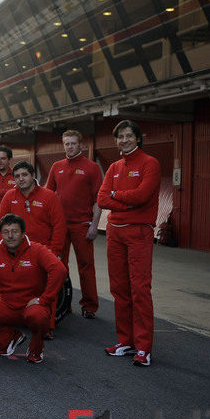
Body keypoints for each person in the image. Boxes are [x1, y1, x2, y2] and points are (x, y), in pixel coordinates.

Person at [97, 120, 160, 367]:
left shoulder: (149, 163)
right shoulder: (113, 167)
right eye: (120, 137)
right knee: (119, 290)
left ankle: (143, 348)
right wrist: (125, 201)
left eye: (128, 136)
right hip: (114, 233)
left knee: (140, 290)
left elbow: (143, 196)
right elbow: (102, 199)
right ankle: (126, 341)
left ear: (138, 138)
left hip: (139, 233)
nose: (124, 140)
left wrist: (116, 196)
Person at [0, 214, 67, 364]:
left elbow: (59, 270)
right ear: (1, 234)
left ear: (23, 234)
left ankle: (37, 348)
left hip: (33, 307)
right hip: (8, 306)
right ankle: (9, 339)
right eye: (6, 232)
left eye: (14, 231)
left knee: (39, 317)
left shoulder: (37, 250)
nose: (10, 236)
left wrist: (44, 299)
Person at [46, 130, 103, 319]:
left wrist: (94, 225)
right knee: (58, 265)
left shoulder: (92, 168)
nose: (70, 147)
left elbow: (98, 200)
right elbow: (47, 196)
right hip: (60, 226)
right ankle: (63, 303)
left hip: (82, 225)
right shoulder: (56, 166)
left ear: (81, 145)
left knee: (86, 266)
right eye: (67, 144)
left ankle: (89, 306)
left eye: (73, 143)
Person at [0, 161, 66, 258]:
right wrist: (6, 245)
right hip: (17, 252)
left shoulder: (49, 196)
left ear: (33, 175)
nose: (21, 179)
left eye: (24, 175)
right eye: (17, 176)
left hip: (44, 252)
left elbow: (59, 226)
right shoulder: (9, 196)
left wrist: (53, 251)